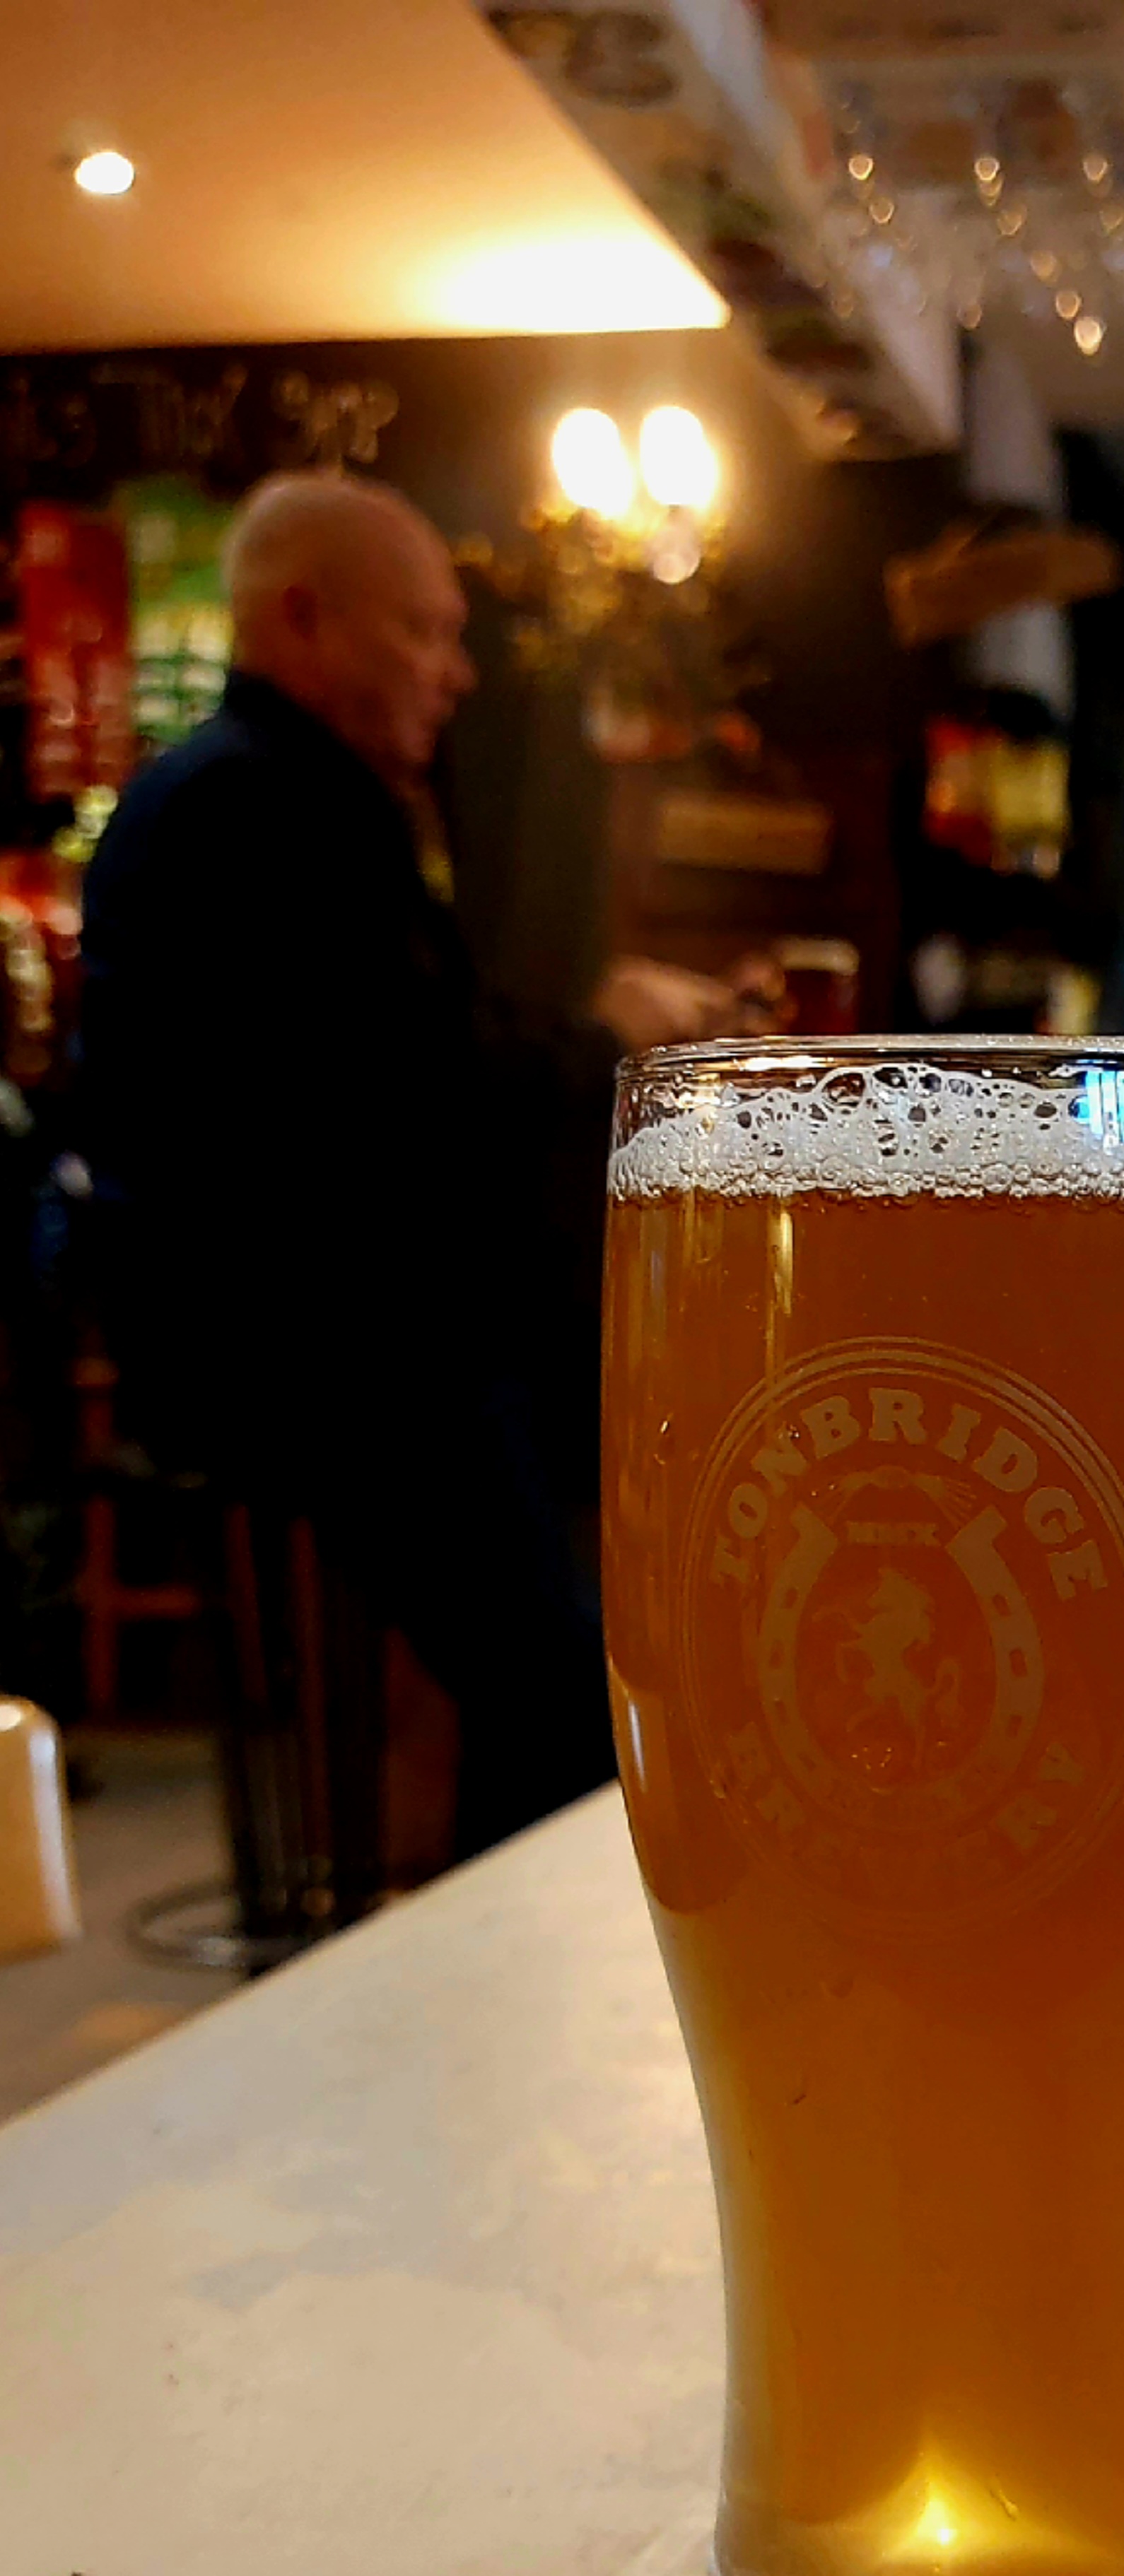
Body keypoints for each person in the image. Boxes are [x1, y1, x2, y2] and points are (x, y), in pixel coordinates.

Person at [78, 471, 727, 1852]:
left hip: (299, 1322)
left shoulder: (263, 793)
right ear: (301, 620)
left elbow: (391, 1069)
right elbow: (405, 1089)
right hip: (297, 1345)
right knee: (561, 1682)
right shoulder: (261, 806)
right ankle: (517, 1932)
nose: (459, 670)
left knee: (575, 1538)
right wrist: (604, 1036)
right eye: (425, 631)